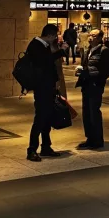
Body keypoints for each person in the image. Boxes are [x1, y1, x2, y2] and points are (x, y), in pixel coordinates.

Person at [25, 24, 68, 162]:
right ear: (49, 35)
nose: (55, 38)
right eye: (55, 36)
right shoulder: (35, 45)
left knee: (47, 118)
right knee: (40, 118)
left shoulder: (44, 46)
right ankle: (32, 149)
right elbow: (44, 62)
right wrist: (61, 51)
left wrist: (56, 83)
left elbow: (50, 67)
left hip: (48, 87)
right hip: (41, 88)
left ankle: (46, 147)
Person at [77, 29, 109, 149]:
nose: (90, 37)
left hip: (95, 85)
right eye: (90, 35)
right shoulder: (87, 50)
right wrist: (81, 71)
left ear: (99, 38)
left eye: (94, 35)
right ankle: (90, 138)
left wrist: (92, 74)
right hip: (86, 84)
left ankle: (97, 140)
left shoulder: (103, 50)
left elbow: (106, 69)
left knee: (94, 112)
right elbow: (86, 65)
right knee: (86, 112)